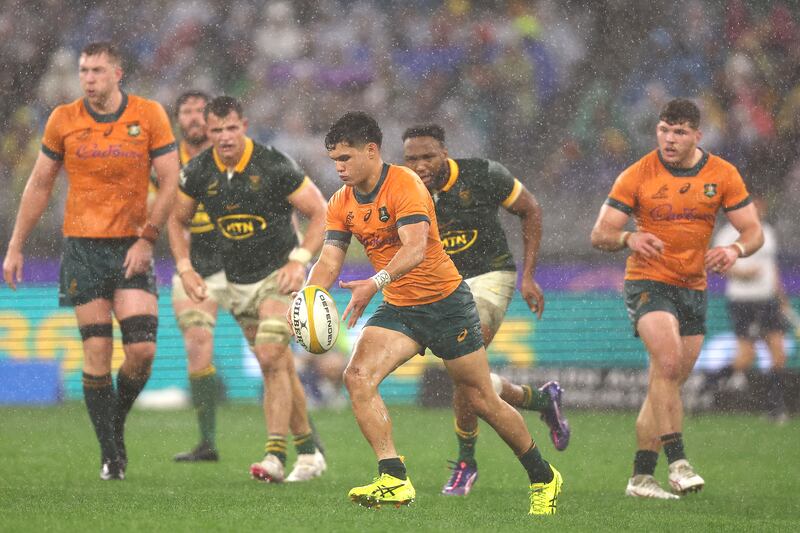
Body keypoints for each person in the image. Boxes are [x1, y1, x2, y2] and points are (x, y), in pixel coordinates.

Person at [299, 111, 562, 515]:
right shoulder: (341, 202)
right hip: (401, 309)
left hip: (446, 305)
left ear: (372, 151)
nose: (339, 168)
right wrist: (309, 295)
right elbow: (330, 259)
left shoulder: (404, 184)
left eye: (346, 159)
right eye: (334, 160)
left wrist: (373, 283)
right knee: (357, 377)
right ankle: (393, 478)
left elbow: (416, 248)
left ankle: (544, 476)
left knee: (481, 398)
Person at [2, 42, 180, 480]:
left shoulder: (148, 115)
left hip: (132, 246)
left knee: (141, 351)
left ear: (118, 74)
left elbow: (172, 179)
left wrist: (149, 239)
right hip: (82, 248)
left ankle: (112, 425)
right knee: (97, 352)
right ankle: (111, 453)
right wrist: (15, 245)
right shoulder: (63, 119)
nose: (88, 78)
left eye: (97, 70)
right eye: (84, 70)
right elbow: (40, 184)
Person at [591, 98, 764, 499]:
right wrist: (629, 237)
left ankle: (640, 478)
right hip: (647, 281)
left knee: (665, 383)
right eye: (664, 130)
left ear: (697, 136)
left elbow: (753, 231)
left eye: (680, 132)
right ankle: (680, 463)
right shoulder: (636, 175)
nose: (670, 139)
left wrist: (735, 250)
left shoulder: (722, 175)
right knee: (667, 363)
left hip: (693, 287)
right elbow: (600, 233)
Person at [401, 124, 570, 496]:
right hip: (442, 285)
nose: (419, 165)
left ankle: (466, 463)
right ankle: (542, 399)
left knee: (463, 365)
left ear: (444, 152)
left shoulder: (483, 174)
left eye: (427, 156)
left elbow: (530, 209)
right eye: (411, 158)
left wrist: (528, 277)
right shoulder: (404, 190)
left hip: (490, 277)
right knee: (473, 380)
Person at [170, 96, 328, 483]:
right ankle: (308, 452)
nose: (224, 137)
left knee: (273, 351)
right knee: (277, 365)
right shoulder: (197, 172)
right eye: (216, 130)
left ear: (245, 125)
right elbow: (177, 222)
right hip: (238, 281)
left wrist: (301, 258)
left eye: (231, 128)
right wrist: (185, 266)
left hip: (280, 276)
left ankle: (274, 455)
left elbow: (321, 212)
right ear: (207, 133)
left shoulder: (273, 164)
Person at [711, 197, 790, 424]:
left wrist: (781, 297)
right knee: (746, 357)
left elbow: (771, 269)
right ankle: (707, 384)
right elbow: (718, 266)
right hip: (743, 302)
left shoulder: (767, 233)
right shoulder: (728, 234)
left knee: (778, 353)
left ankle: (775, 408)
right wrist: (741, 274)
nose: (758, 210)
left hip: (767, 301)